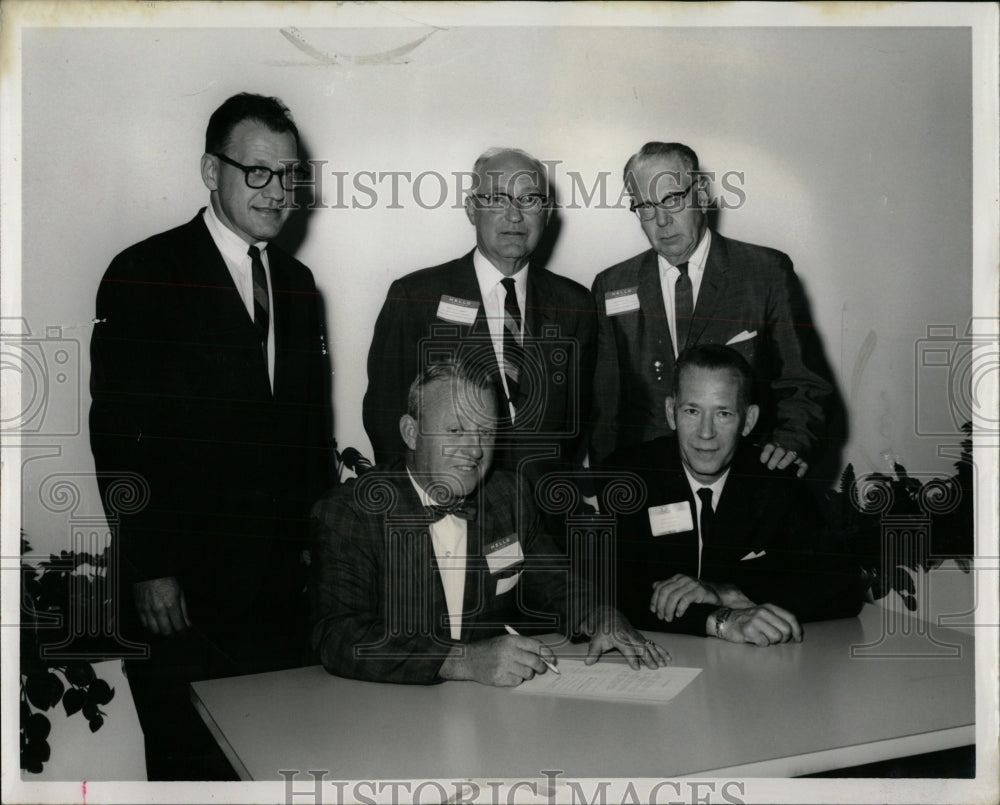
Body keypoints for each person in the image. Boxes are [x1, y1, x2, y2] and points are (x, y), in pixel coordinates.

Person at [89, 92, 334, 779]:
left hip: (278, 598)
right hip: (180, 597)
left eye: (289, 176)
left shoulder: (297, 283)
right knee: (190, 774)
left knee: (282, 770)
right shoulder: (145, 271)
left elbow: (310, 436)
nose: (277, 191)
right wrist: (150, 567)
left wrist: (321, 550)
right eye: (257, 171)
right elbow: (118, 437)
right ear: (209, 169)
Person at [312, 361, 669, 685]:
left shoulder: (506, 496)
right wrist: (461, 661)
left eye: (485, 433)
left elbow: (554, 580)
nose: (475, 450)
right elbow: (339, 635)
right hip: (385, 716)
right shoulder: (352, 512)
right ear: (410, 432)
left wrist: (597, 615)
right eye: (455, 431)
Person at [362, 148, 596, 497]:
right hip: (447, 511)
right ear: (472, 209)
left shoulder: (575, 305)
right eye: (498, 198)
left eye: (529, 199)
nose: (514, 215)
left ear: (546, 213)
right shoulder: (416, 298)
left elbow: (578, 423)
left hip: (542, 518)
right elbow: (385, 417)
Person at [590, 142, 833, 475]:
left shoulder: (765, 273)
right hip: (647, 481)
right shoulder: (611, 285)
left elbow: (804, 383)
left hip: (747, 474)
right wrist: (605, 487)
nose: (661, 220)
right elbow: (605, 409)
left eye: (672, 199)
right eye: (645, 206)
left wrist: (791, 443)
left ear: (702, 195)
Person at [599, 345, 864, 645]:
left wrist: (722, 591)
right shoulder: (628, 475)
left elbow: (843, 586)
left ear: (748, 420)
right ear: (671, 413)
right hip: (662, 657)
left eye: (723, 413)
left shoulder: (773, 479)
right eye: (692, 411)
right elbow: (612, 592)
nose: (706, 433)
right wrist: (719, 620)